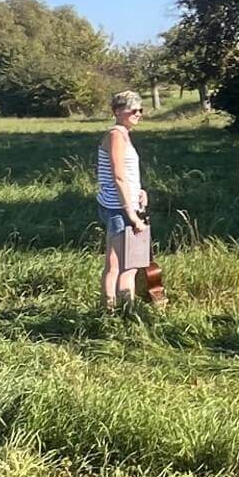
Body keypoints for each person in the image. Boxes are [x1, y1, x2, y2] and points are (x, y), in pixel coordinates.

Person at [97, 89, 149, 315]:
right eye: (132, 110)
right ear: (117, 111)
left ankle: (108, 311)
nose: (138, 114)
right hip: (119, 207)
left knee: (114, 263)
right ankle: (127, 313)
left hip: (121, 203)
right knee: (130, 265)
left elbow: (125, 175)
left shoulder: (124, 134)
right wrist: (132, 215)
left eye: (140, 110)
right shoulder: (116, 135)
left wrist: (140, 190)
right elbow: (118, 176)